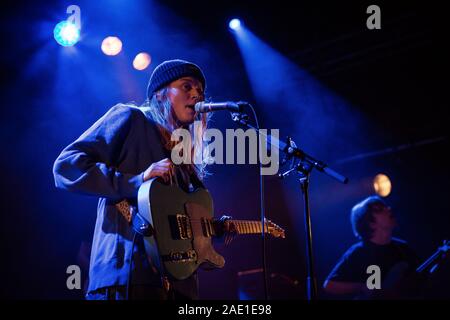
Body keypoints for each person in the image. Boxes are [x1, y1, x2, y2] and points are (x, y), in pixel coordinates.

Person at [53, 59, 232, 300]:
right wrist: (137, 180)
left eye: (200, 90)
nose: (196, 95)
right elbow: (66, 167)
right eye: (187, 86)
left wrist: (211, 231)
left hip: (179, 286)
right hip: (128, 275)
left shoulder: (186, 157)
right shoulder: (131, 119)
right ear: (160, 95)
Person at [323, 195, 423, 299]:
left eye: (385, 206)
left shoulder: (403, 249)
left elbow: (421, 277)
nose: (388, 209)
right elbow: (329, 285)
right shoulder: (359, 252)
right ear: (370, 223)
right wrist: (362, 287)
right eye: (379, 210)